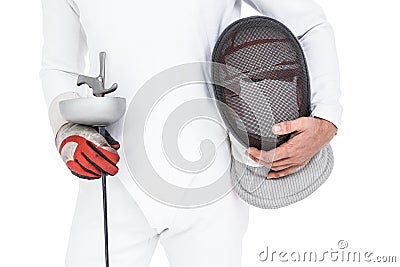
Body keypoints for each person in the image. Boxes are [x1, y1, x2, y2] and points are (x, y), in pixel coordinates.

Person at [39, 0, 342, 266]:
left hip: (213, 185)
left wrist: (326, 116)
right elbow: (60, 67)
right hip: (111, 178)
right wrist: (66, 128)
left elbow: (309, 23)